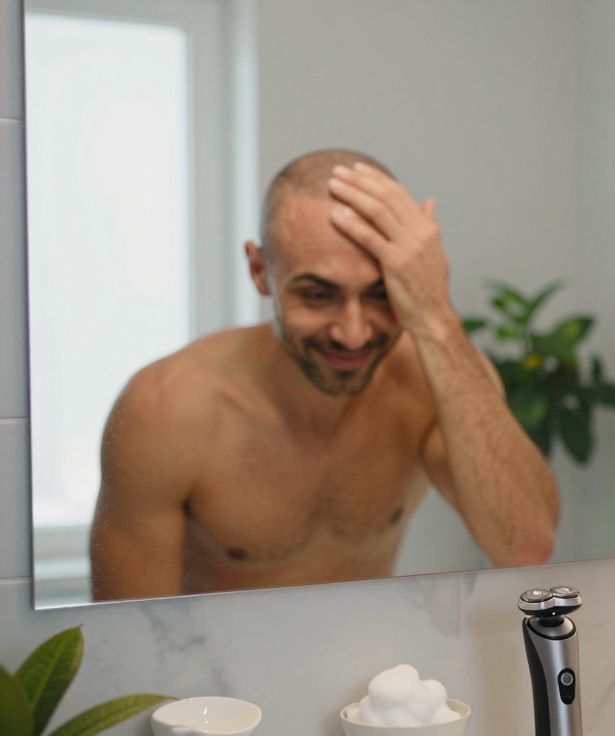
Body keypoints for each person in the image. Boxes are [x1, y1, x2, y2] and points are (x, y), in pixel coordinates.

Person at [90, 150, 559, 600]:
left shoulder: (430, 379)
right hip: (217, 682)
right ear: (260, 271)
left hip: (367, 674)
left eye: (381, 294)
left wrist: (433, 311)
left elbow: (525, 546)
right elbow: (128, 642)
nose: (353, 334)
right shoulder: (166, 410)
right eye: (318, 295)